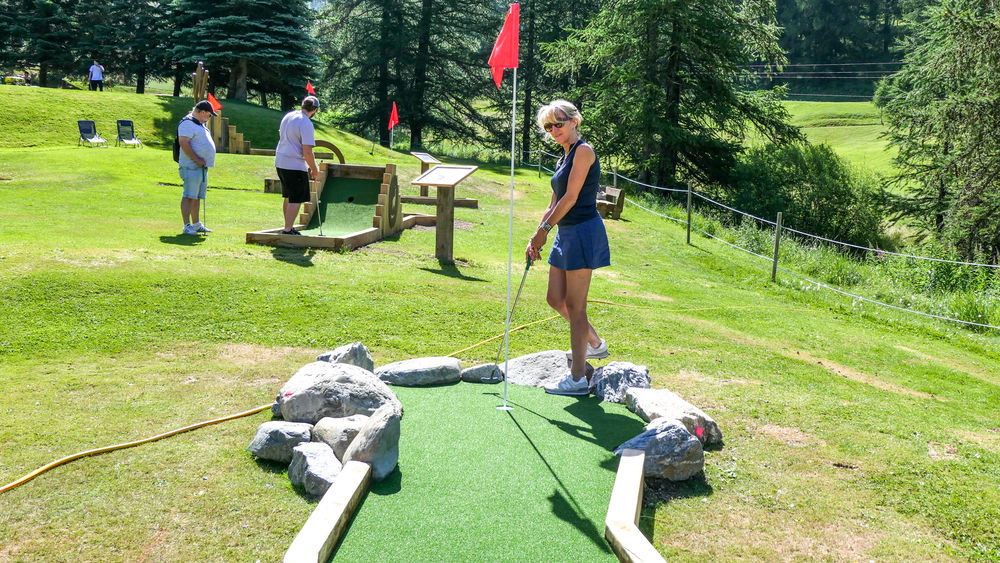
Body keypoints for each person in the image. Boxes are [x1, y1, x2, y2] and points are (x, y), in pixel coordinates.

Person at [527, 100, 611, 396]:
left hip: (584, 232)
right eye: (548, 126)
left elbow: (571, 197)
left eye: (558, 124)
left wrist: (545, 230)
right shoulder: (563, 158)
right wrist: (537, 234)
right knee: (554, 299)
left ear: (575, 121)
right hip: (565, 232)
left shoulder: (584, 152)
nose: (553, 130)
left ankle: (577, 378)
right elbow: (553, 201)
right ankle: (595, 344)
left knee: (576, 306)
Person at [275, 96, 321, 235]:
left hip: (280, 161)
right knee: (296, 198)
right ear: (315, 110)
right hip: (294, 164)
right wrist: (315, 169)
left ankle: (288, 226)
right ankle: (288, 230)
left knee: (288, 196)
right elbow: (307, 151)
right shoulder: (306, 123)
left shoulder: (289, 115)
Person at [177, 100, 217, 235]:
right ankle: (186, 225)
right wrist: (197, 159)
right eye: (210, 115)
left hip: (201, 167)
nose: (210, 118)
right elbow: (183, 142)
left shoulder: (200, 124)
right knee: (189, 195)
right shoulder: (187, 123)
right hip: (191, 166)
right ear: (203, 112)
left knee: (197, 196)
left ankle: (196, 224)